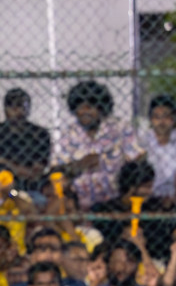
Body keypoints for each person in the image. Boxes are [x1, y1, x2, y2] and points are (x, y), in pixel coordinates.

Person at [51, 80, 145, 209]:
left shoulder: (120, 128)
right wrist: (79, 165)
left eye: (90, 107)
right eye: (80, 107)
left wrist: (111, 164)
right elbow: (56, 168)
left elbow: (138, 157)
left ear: (101, 108)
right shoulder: (69, 134)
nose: (85, 112)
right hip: (78, 202)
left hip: (115, 200)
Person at [0, 88, 52, 190]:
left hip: (28, 189)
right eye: (10, 105)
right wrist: (20, 169)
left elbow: (35, 174)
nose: (15, 110)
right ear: (5, 109)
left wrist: (4, 162)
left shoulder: (39, 134)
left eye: (19, 105)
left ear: (28, 109)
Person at [140, 95, 176, 199]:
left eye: (166, 116)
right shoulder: (143, 141)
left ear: (173, 118)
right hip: (150, 197)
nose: (161, 122)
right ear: (151, 120)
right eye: (157, 117)